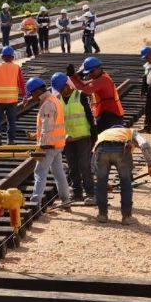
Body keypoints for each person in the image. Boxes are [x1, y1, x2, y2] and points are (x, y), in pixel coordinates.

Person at [93, 125, 151, 224]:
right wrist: (150, 164)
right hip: (121, 150)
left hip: (101, 150)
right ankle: (127, 217)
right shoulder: (130, 131)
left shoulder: (103, 134)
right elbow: (144, 144)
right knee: (125, 182)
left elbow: (93, 156)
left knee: (100, 184)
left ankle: (102, 215)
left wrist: (101, 181)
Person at [25, 77, 70, 208]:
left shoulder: (48, 104)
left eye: (32, 94)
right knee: (58, 172)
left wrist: (40, 149)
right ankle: (66, 200)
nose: (32, 97)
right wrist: (35, 135)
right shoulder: (54, 100)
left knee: (40, 172)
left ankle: (35, 202)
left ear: (38, 91)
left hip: (49, 145)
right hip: (57, 144)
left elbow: (47, 128)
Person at [51, 72, 96, 204]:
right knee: (72, 167)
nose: (60, 91)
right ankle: (77, 193)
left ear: (67, 85)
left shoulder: (81, 95)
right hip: (67, 139)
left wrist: (94, 136)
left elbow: (90, 116)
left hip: (83, 137)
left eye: (61, 88)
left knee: (84, 166)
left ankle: (90, 193)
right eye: (58, 89)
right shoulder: (57, 99)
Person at [68, 56, 124, 132]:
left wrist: (72, 77)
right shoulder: (101, 77)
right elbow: (84, 84)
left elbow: (84, 89)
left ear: (98, 68)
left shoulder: (102, 80)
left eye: (91, 72)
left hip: (111, 116)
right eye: (88, 73)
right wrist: (75, 76)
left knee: (94, 132)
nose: (90, 75)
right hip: (109, 114)